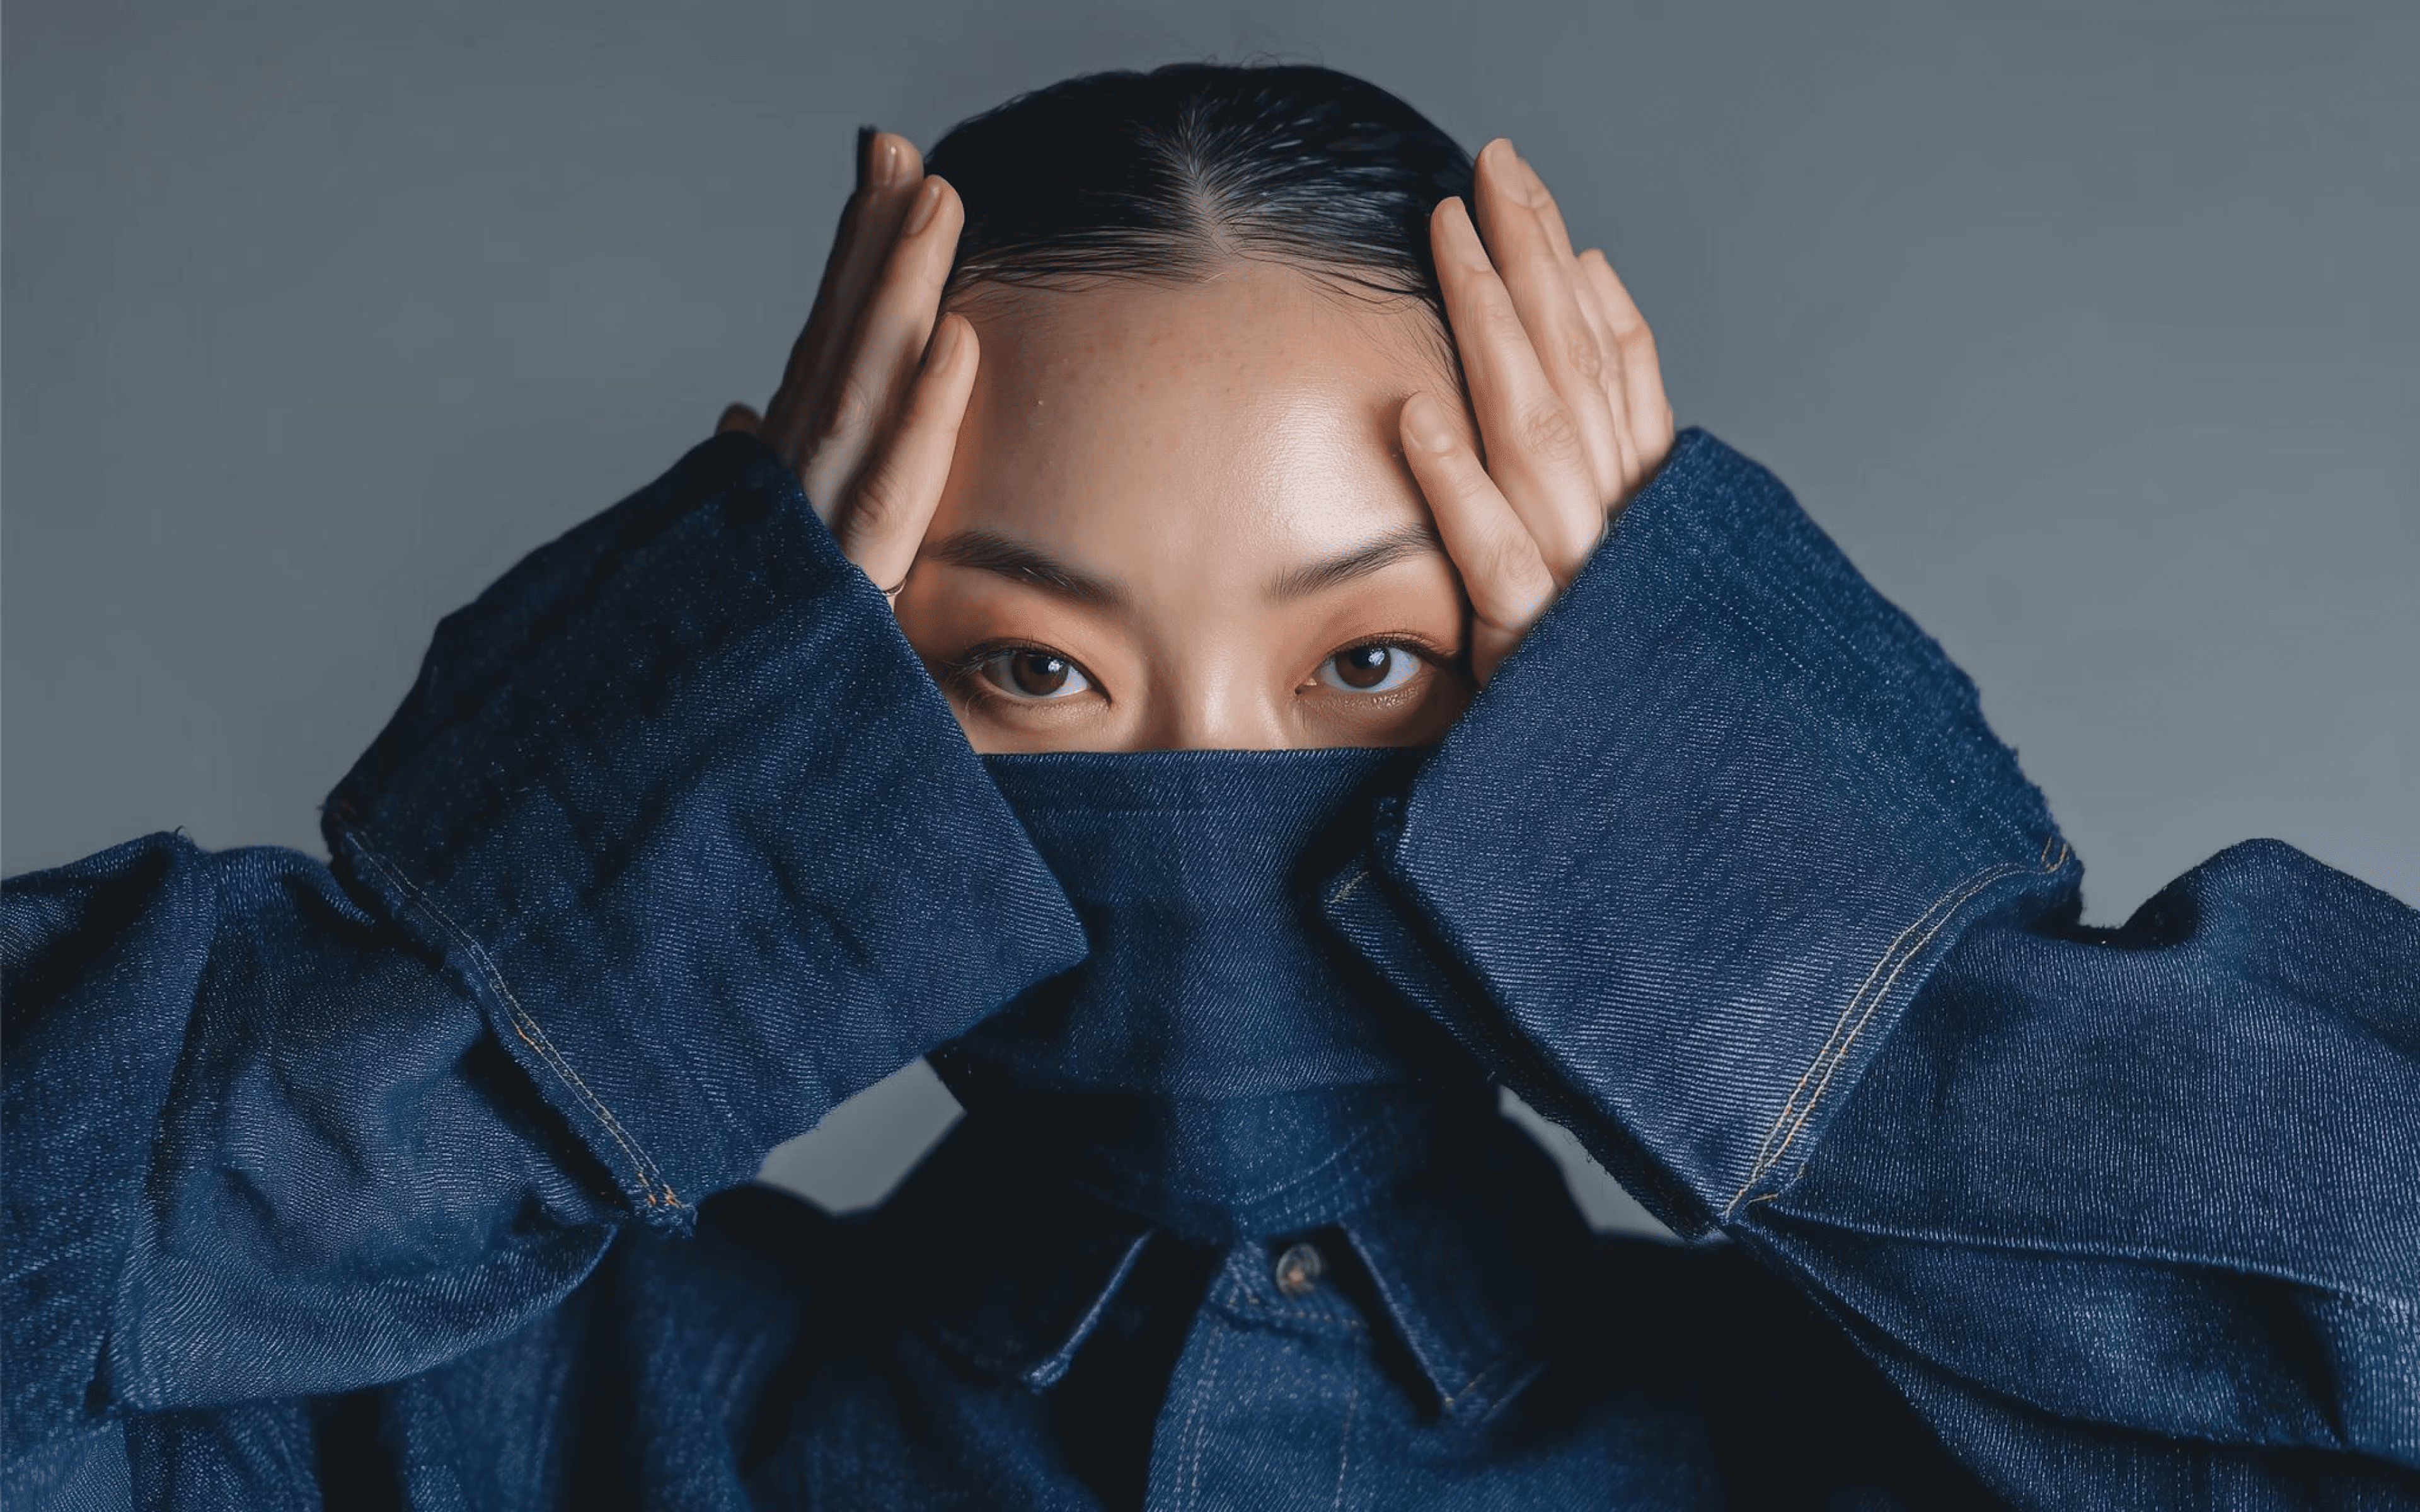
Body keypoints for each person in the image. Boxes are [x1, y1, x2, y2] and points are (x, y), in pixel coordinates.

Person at [3, 62, 2414, 1511]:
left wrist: (1842, 979)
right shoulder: (464, 1427)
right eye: (1023, 671)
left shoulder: (1876, 1446)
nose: (1204, 796)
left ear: (1603, 719)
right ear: (792, 716)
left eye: (1376, 659)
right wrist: (543, 960)